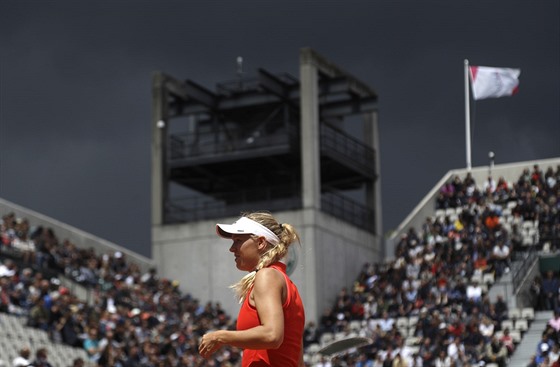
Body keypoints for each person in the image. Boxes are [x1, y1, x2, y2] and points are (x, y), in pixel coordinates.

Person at [199, 212, 305, 367]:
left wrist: (219, 336)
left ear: (261, 242)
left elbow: (272, 335)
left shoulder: (267, 276)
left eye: (238, 240)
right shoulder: (286, 284)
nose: (232, 248)